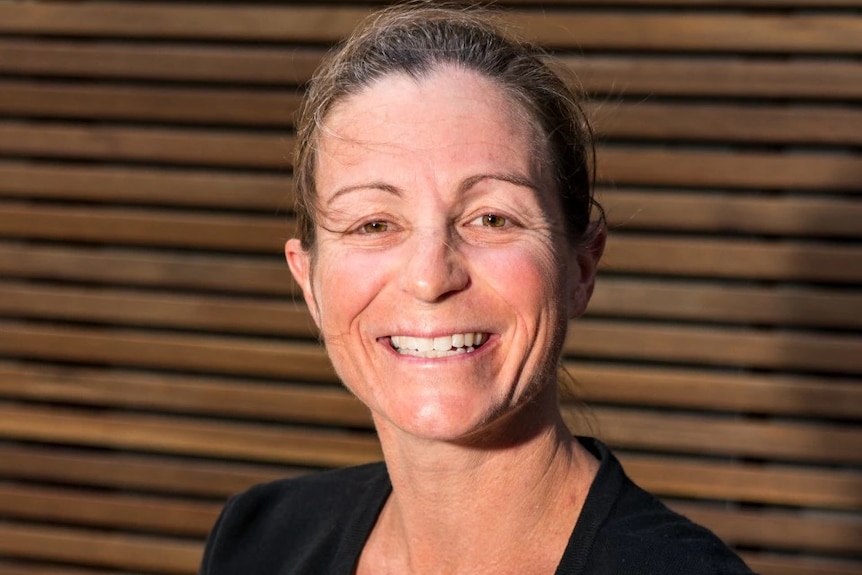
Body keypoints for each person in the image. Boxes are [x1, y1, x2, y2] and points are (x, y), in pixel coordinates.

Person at [199, 3, 756, 574]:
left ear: (580, 269)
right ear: (309, 284)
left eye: (492, 219)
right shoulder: (257, 542)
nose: (430, 277)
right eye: (373, 224)